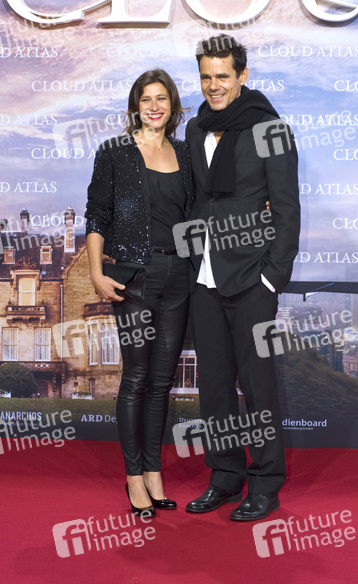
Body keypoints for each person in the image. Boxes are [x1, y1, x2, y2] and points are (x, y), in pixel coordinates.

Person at [184, 35, 300, 521]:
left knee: (257, 387)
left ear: (242, 76)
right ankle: (225, 476)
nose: (214, 85)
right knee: (213, 389)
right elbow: (198, 199)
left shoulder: (271, 129)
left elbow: (287, 207)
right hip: (205, 278)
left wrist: (273, 277)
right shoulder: (195, 128)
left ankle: (266, 483)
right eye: (206, 77)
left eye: (223, 76)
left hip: (253, 278)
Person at [85, 69, 193, 517]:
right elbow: (97, 214)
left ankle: (153, 473)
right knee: (136, 377)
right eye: (146, 99)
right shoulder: (114, 152)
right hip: (134, 278)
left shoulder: (185, 153)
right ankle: (133, 478)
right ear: (135, 106)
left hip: (179, 275)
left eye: (161, 98)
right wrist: (95, 272)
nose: (154, 107)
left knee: (162, 382)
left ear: (173, 105)